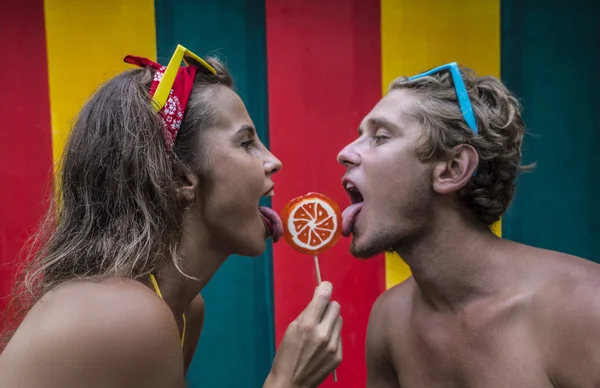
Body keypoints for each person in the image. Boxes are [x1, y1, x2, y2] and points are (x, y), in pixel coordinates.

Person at [0, 45, 342, 388]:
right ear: (180, 177)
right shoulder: (127, 313)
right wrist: (286, 382)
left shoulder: (184, 312)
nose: (273, 161)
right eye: (246, 143)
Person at [337, 62, 600, 387]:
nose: (344, 153)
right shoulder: (390, 322)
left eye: (380, 137)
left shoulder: (585, 307)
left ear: (452, 169)